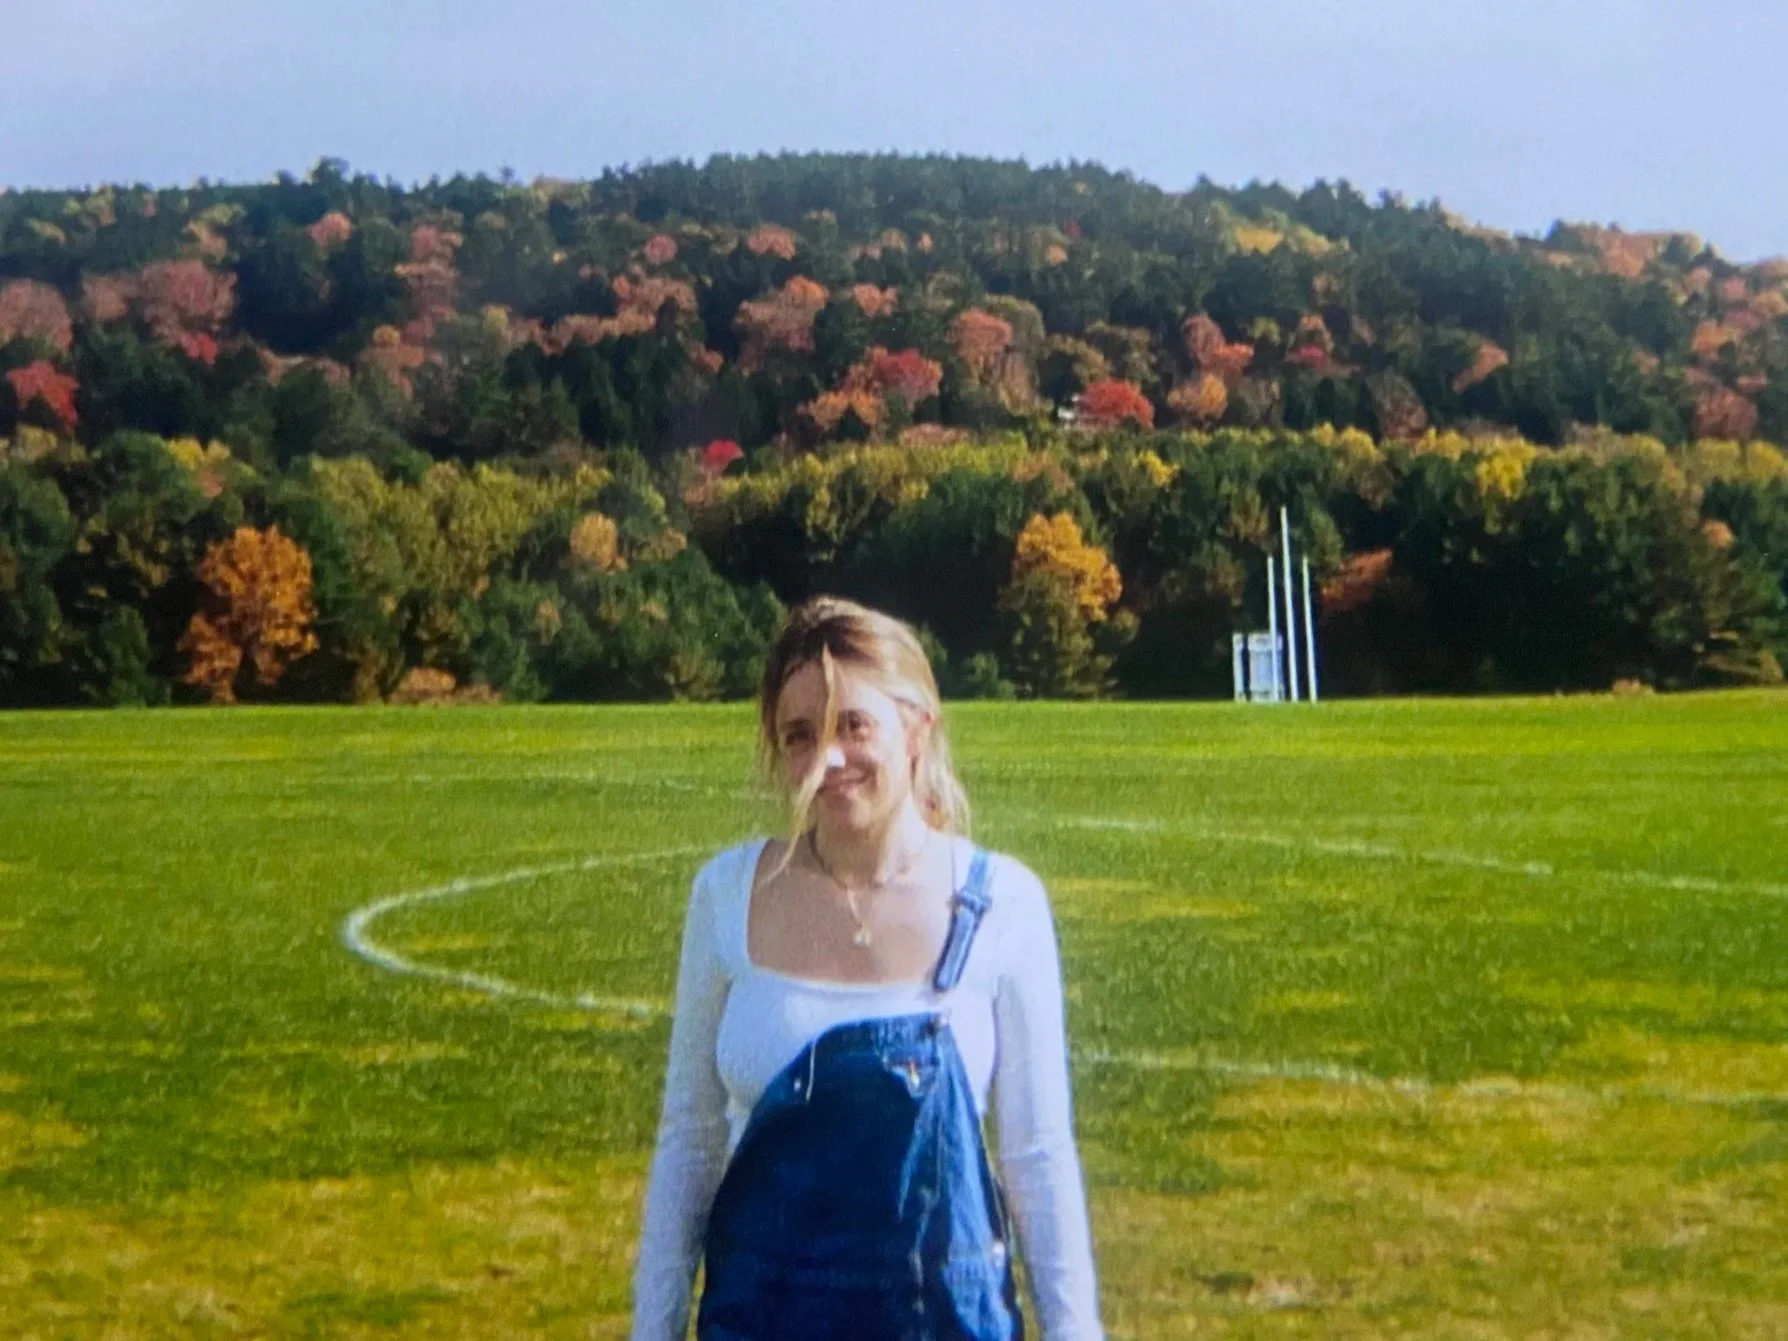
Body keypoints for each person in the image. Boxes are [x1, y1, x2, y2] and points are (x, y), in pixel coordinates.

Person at [630, 595, 1103, 1341]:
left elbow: (1038, 1157)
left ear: (918, 729)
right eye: (798, 735)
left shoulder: (1005, 904)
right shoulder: (725, 895)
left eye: (854, 725)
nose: (827, 759)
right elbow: (689, 1140)